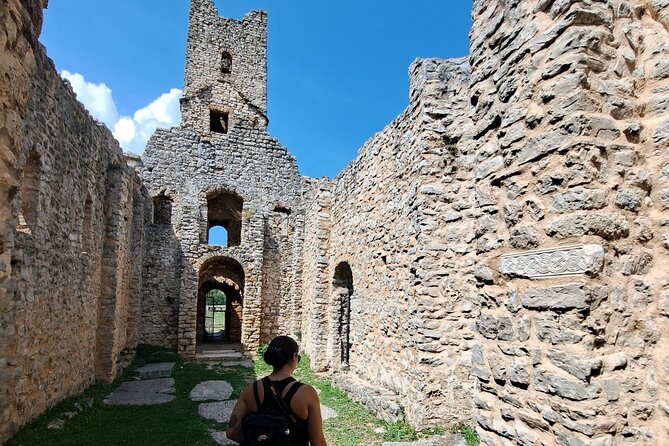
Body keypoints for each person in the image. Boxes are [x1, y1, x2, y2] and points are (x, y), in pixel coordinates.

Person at [226, 336, 327, 446]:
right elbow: (318, 442)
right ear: (294, 357)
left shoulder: (251, 390)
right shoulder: (307, 393)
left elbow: (231, 432)